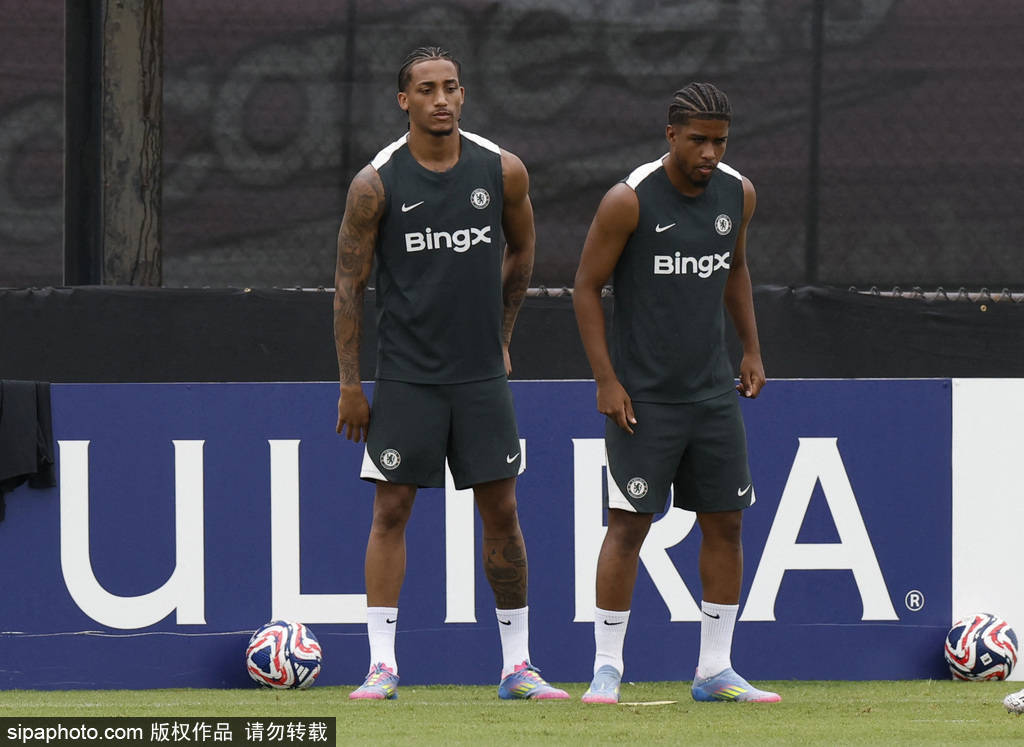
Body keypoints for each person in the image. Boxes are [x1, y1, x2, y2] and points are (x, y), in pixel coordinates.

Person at [333, 46, 567, 702]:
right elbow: (348, 285)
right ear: (403, 100)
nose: (441, 99)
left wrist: (504, 335)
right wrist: (350, 383)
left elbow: (524, 249)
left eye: (451, 87)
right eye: (427, 89)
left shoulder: (502, 169)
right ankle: (382, 666)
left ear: (463, 95)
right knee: (391, 509)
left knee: (503, 510)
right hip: (407, 375)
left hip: (480, 375)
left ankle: (518, 666)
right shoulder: (376, 182)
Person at [572, 82, 780, 705]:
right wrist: (606, 380)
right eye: (698, 140)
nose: (710, 152)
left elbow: (735, 269)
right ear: (671, 136)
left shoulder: (738, 193)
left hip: (712, 394)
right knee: (628, 527)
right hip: (645, 400)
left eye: (720, 141)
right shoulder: (628, 199)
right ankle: (607, 668)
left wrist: (750, 349)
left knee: (726, 524)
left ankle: (715, 670)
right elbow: (585, 288)